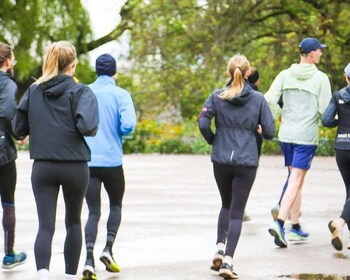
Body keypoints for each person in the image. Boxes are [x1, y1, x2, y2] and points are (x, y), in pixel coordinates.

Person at [12, 41, 99, 280]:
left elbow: (18, 129)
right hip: (74, 166)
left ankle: (42, 274)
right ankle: (70, 276)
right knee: (73, 222)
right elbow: (88, 126)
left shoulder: (34, 91)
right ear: (72, 65)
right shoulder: (82, 92)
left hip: (43, 167)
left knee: (45, 225)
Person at [198, 54, 275, 279]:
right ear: (248, 73)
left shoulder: (216, 96)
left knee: (225, 205)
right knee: (237, 213)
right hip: (246, 160)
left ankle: (219, 248)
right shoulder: (259, 99)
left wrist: (213, 139)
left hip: (221, 159)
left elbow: (202, 122)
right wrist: (258, 130)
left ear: (227, 73)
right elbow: (270, 132)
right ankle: (228, 262)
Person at [265, 37, 332, 248]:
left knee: (296, 179)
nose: (321, 53)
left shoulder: (285, 75)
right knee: (296, 180)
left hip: (286, 134)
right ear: (311, 54)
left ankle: (295, 227)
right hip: (305, 137)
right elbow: (325, 111)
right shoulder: (321, 79)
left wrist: (281, 115)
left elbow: (268, 99)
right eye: (319, 51)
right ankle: (280, 223)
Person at [81, 54, 136, 280]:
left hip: (88, 161)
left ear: (96, 71)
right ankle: (108, 248)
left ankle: (88, 260)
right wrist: (120, 133)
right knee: (115, 205)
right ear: (115, 72)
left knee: (93, 211)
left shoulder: (85, 92)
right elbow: (128, 125)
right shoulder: (121, 94)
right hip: (113, 162)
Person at [0, 42, 27, 269]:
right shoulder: (7, 84)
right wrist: (17, 133)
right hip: (2, 152)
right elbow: (9, 110)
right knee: (8, 201)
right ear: (8, 61)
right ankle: (9, 255)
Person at [322, 63, 350, 251]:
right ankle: (339, 223)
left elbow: (326, 120)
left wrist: (338, 120)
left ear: (346, 77)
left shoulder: (338, 95)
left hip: (341, 148)